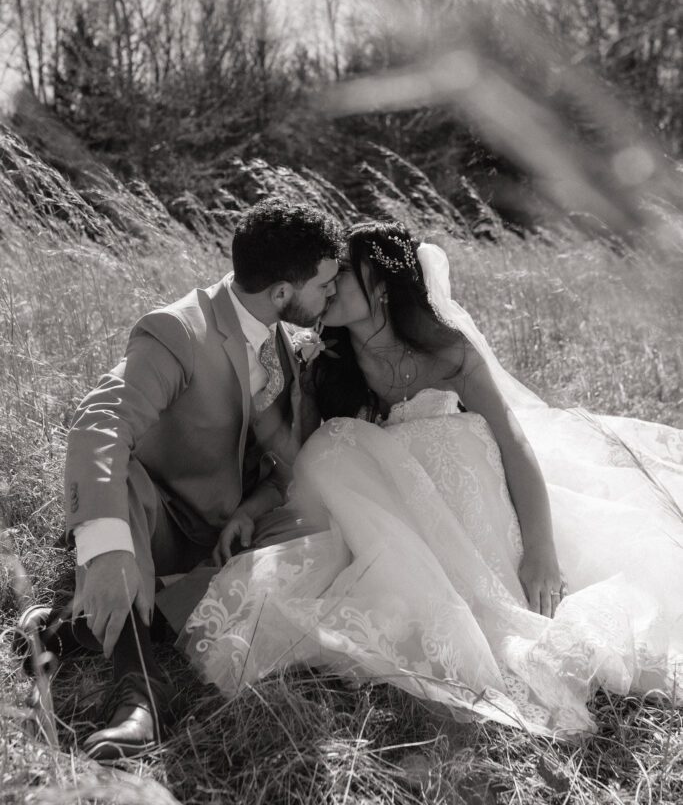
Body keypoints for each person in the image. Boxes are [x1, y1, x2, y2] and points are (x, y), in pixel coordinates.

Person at [180, 221, 683, 738]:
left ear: (381, 284)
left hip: (481, 526)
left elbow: (514, 445)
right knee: (338, 448)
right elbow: (301, 469)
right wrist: (251, 502)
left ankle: (498, 606)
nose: (326, 284)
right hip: (397, 536)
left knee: (463, 440)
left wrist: (541, 551)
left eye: (343, 273)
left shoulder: (451, 354)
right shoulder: (324, 367)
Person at [14, 198, 342, 761]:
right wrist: (106, 545)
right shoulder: (179, 329)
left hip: (228, 531)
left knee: (326, 527)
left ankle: (72, 628)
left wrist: (250, 507)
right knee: (127, 487)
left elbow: (277, 465)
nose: (331, 295)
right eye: (325, 285)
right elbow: (99, 425)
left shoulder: (283, 342)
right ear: (283, 292)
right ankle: (141, 694)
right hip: (160, 520)